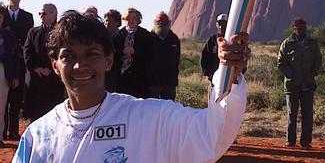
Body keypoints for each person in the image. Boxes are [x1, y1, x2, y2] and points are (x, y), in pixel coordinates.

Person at [13, 11, 249, 163]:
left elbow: (212, 134)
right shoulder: (39, 135)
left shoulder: (148, 119)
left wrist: (230, 74)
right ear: (55, 66)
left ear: (108, 61)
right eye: (68, 56)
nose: (79, 66)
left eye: (91, 54)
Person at [277, 18, 322, 149]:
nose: (302, 31)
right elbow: (281, 63)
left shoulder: (312, 44)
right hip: (292, 86)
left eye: (304, 28)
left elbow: (318, 60)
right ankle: (290, 141)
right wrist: (291, 76)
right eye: (299, 28)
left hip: (308, 85)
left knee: (307, 114)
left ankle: (306, 142)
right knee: (292, 114)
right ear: (294, 28)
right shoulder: (287, 44)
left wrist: (313, 73)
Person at [23, 4, 65, 122]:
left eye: (44, 13)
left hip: (54, 80)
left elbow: (62, 53)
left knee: (54, 115)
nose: (41, 16)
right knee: (35, 116)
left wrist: (51, 69)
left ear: (53, 14)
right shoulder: (33, 32)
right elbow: (27, 52)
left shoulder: (61, 32)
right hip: (36, 80)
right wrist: (38, 68)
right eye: (40, 13)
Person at [3, 0, 34, 141]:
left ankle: (14, 131)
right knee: (3, 99)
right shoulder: (2, 16)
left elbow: (28, 39)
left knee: (15, 98)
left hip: (19, 62)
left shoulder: (27, 17)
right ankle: (2, 130)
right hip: (4, 61)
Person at [112, 8, 153, 98]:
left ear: (138, 20)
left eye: (134, 18)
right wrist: (121, 52)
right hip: (121, 78)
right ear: (124, 20)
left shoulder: (146, 35)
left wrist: (135, 52)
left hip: (140, 77)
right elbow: (112, 55)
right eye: (128, 18)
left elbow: (151, 55)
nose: (131, 21)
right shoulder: (117, 36)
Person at [148, 12, 181, 100]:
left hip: (169, 81)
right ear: (155, 23)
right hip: (153, 81)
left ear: (168, 23)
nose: (161, 24)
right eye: (159, 22)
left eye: (164, 22)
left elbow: (177, 60)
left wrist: (175, 78)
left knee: (168, 108)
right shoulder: (149, 38)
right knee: (152, 106)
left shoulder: (174, 39)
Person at [0, 6, 20, 147]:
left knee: (1, 106)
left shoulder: (9, 35)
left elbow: (15, 58)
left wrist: (15, 76)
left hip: (3, 71)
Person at [201, 13, 228, 80]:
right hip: (214, 76)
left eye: (224, 24)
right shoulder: (212, 40)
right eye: (220, 24)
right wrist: (208, 73)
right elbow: (205, 55)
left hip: (228, 78)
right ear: (216, 25)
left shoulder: (231, 39)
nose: (221, 26)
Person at [103, 9, 122, 93]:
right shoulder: (102, 37)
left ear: (117, 22)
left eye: (110, 21)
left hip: (118, 74)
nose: (107, 23)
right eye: (106, 20)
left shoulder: (123, 37)